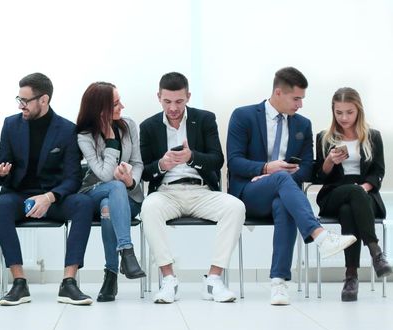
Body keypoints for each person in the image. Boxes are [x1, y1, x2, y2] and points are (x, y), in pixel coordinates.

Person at [226, 67, 357, 305]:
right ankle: (319, 235)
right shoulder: (243, 116)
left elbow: (308, 167)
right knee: (281, 179)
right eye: (296, 98)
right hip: (249, 193)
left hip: (282, 192)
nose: (300, 105)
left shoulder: (302, 125)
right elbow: (234, 162)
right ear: (278, 93)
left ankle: (279, 284)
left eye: (302, 99)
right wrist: (266, 169)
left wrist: (282, 174)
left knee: (283, 202)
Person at [140, 72, 246, 303]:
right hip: (167, 192)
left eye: (179, 101)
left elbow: (217, 160)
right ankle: (168, 278)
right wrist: (161, 164)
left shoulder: (205, 119)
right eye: (167, 102)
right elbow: (145, 171)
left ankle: (214, 279)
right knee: (149, 208)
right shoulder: (148, 126)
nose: (173, 108)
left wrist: (191, 157)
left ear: (188, 96)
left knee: (235, 207)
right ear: (159, 97)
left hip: (201, 191)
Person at [0, 73, 94, 306]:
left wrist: (49, 197)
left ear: (44, 100)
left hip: (53, 197)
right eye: (19, 99)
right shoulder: (10, 124)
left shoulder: (67, 129)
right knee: (1, 205)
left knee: (84, 204)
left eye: (25, 101)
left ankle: (69, 283)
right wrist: (1, 172)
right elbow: (3, 167)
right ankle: (19, 283)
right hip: (19, 195)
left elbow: (73, 178)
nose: (20, 105)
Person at [315, 87, 391, 301]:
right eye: (339, 113)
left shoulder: (373, 136)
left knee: (350, 209)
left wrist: (363, 189)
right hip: (334, 193)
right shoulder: (324, 137)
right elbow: (320, 176)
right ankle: (376, 252)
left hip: (365, 195)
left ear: (358, 110)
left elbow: (378, 171)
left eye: (349, 112)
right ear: (333, 111)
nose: (344, 117)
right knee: (350, 196)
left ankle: (351, 277)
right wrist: (329, 161)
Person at [76, 81, 146, 302]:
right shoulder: (84, 136)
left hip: (125, 196)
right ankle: (127, 251)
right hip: (92, 192)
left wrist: (130, 181)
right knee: (112, 188)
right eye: (115, 103)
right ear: (100, 108)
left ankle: (111, 275)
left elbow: (137, 162)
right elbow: (104, 175)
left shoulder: (130, 125)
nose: (121, 106)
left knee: (109, 205)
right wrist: (111, 142)